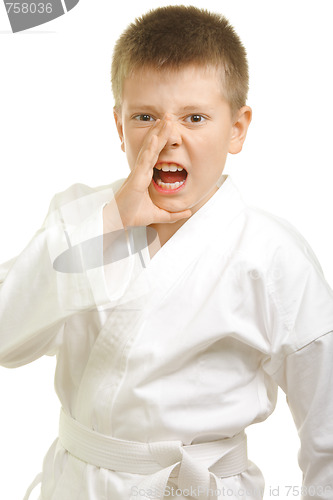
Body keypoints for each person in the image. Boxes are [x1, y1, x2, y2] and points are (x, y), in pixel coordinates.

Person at [1, 5, 333, 500]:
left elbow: (326, 421)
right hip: (76, 485)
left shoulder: (271, 255)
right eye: (145, 117)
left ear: (238, 128)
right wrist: (109, 223)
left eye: (195, 117)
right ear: (119, 126)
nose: (167, 138)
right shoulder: (78, 219)